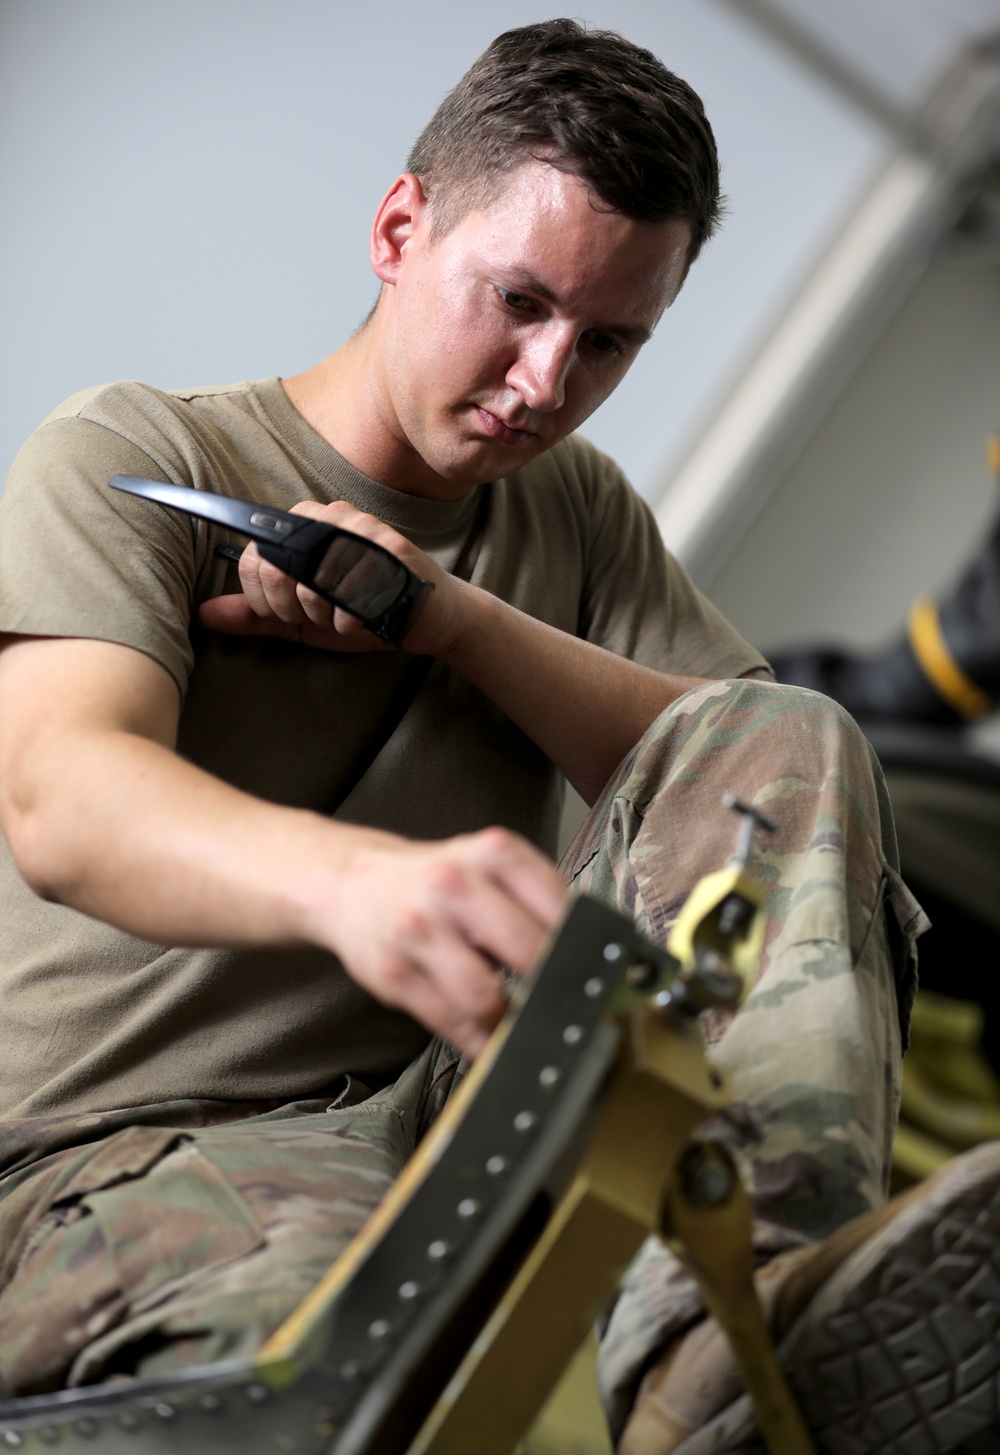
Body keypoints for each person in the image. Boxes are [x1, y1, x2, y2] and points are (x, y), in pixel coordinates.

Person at [0, 18, 930, 1449]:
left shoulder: (578, 516)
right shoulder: (135, 458)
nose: (547, 382)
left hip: (448, 1102)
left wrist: (453, 622)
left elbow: (766, 768)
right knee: (350, 1337)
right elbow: (61, 795)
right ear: (396, 227)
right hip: (111, 1161)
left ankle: (748, 1310)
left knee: (791, 731)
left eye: (609, 342)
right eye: (517, 301)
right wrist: (356, 884)